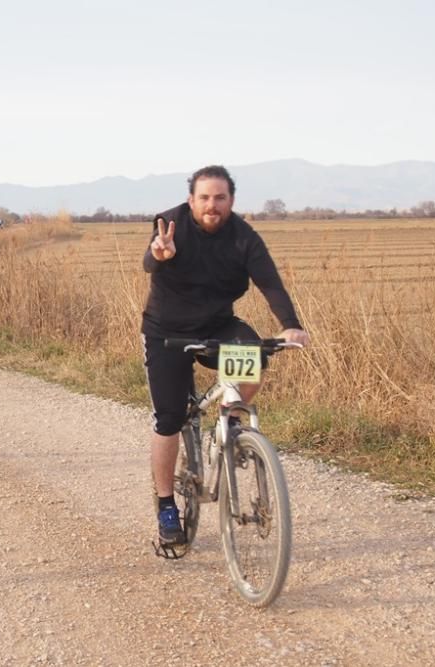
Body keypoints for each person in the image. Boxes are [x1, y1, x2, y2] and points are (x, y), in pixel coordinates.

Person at [142, 165, 310, 545]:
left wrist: (290, 324)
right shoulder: (170, 225)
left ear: (231, 201)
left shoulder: (244, 237)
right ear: (191, 200)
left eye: (220, 198)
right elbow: (149, 260)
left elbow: (269, 282)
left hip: (217, 324)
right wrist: (159, 254)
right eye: (204, 197)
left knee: (254, 355)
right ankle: (167, 504)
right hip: (165, 332)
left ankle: (232, 423)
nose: (211, 205)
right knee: (169, 419)